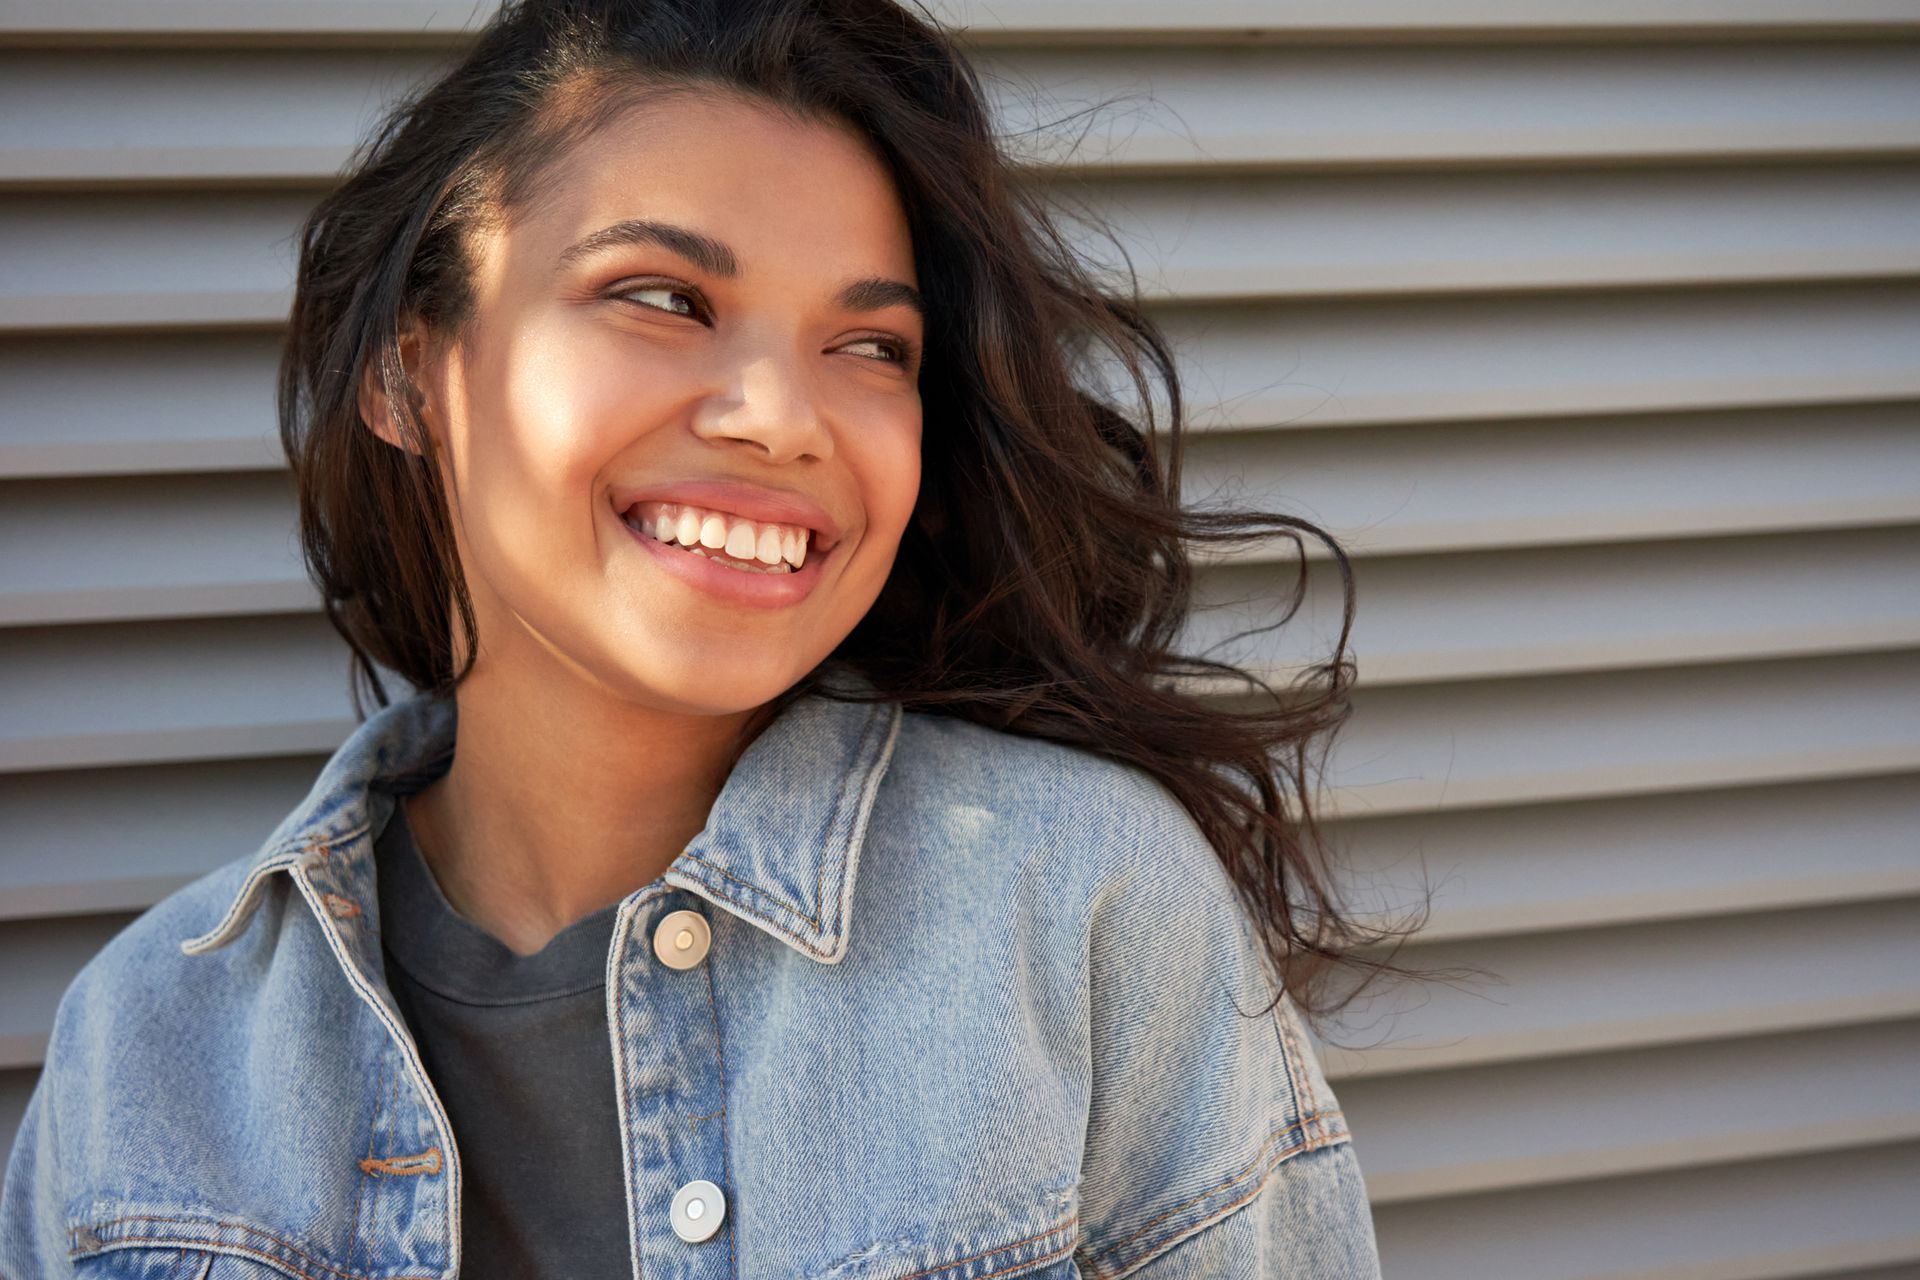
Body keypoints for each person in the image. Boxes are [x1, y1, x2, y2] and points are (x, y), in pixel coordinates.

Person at [2, 0, 1414, 1275]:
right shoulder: (144, 1049)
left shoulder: (1088, 912)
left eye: (870, 348)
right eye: (665, 299)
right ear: (410, 371)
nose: (780, 415)